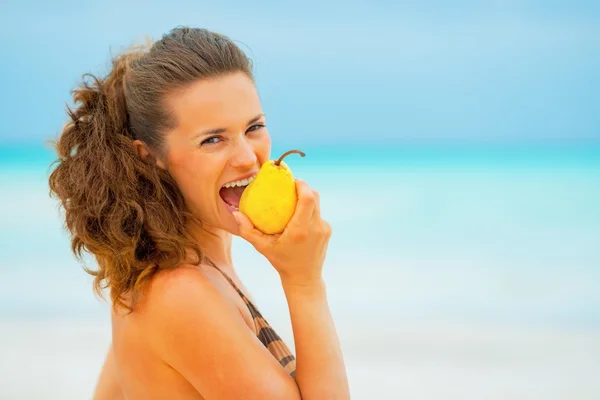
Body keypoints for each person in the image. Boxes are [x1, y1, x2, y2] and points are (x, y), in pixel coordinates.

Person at [48, 26, 350, 399]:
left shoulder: (178, 273)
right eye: (213, 139)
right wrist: (304, 283)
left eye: (254, 127)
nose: (247, 158)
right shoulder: (177, 294)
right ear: (152, 156)